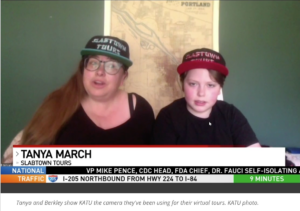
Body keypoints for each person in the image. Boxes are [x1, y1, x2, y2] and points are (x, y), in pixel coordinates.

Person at [3, 35, 155, 162]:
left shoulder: (142, 111)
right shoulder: (57, 104)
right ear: (83, 70)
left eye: (112, 66)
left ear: (124, 77)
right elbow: (21, 167)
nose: (100, 72)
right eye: (93, 63)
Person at [152, 48, 260, 147]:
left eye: (211, 85)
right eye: (193, 84)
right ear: (182, 84)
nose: (201, 93)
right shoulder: (168, 117)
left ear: (220, 88)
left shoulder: (230, 114)